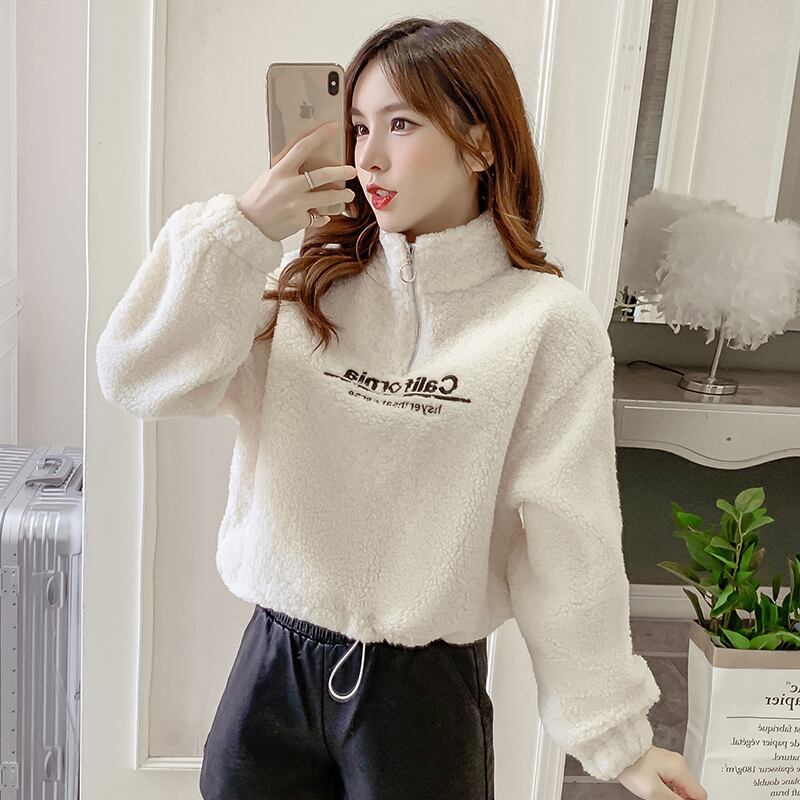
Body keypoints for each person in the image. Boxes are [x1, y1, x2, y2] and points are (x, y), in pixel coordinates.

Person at [95, 16, 707, 800]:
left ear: (480, 144)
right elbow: (137, 377)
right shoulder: (304, 291)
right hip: (272, 675)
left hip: (420, 697)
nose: (370, 157)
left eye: (402, 124)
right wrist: (242, 231)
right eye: (358, 127)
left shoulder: (546, 327)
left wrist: (619, 742)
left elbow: (569, 547)